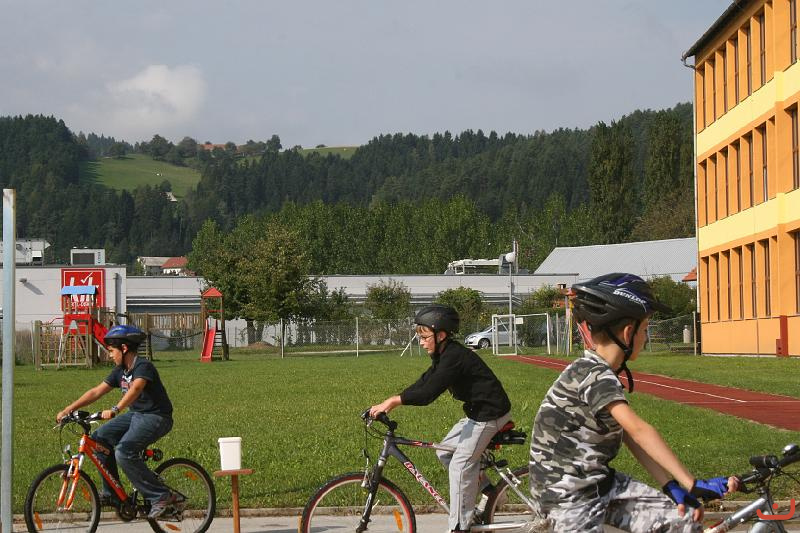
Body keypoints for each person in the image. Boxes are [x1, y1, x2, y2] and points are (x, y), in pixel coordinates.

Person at [529, 273, 738, 532]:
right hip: (568, 497)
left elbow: (629, 435)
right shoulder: (595, 375)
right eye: (646, 328)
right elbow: (639, 430)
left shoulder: (596, 371)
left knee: (683, 522)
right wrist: (691, 483)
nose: (646, 337)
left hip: (601, 484)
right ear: (629, 332)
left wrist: (670, 485)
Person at [369, 304, 512, 533]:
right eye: (419, 337)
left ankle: (459, 526)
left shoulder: (454, 357)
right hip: (477, 414)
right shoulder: (444, 355)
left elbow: (428, 393)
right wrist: (391, 400)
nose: (421, 342)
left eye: (425, 337)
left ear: (441, 335)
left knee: (460, 466)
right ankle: (491, 493)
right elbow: (425, 380)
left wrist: (395, 401)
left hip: (490, 415)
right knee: (444, 451)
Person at [56, 324, 179, 519]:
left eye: (112, 350)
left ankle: (161, 496)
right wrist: (68, 409)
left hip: (156, 416)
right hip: (136, 415)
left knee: (124, 452)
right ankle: (112, 494)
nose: (109, 355)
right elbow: (96, 391)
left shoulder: (143, 366)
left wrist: (116, 409)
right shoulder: (120, 371)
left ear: (124, 348)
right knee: (99, 439)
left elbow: (136, 388)